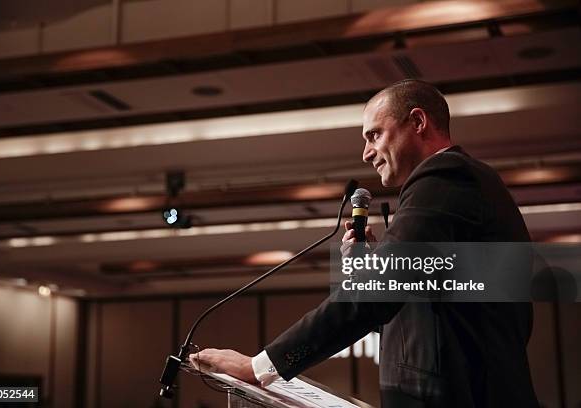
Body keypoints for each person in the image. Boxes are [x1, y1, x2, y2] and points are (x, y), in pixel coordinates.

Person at [189, 79, 539, 407]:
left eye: (374, 135)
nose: (366, 153)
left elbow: (376, 297)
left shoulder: (445, 178)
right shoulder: (465, 184)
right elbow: (422, 314)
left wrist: (259, 367)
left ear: (417, 121)